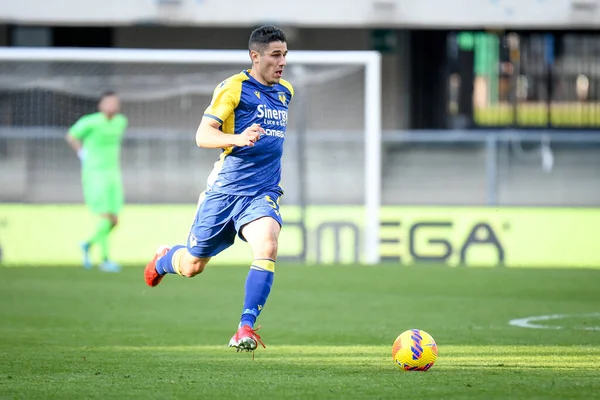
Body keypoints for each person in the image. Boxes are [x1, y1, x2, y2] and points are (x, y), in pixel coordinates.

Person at [144, 25, 293, 352]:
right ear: (255, 56)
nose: (282, 61)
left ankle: (245, 327)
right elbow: (202, 135)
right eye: (275, 55)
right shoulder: (233, 88)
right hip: (224, 193)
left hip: (262, 191)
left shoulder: (285, 92)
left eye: (285, 54)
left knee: (267, 245)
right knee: (192, 265)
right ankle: (164, 258)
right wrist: (236, 138)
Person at [66, 91, 127, 273]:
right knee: (105, 216)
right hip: (95, 173)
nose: (111, 106)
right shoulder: (90, 121)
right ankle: (105, 259)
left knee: (115, 220)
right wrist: (81, 153)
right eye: (108, 103)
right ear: (100, 105)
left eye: (114, 103)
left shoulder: (120, 122)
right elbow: (71, 135)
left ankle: (87, 244)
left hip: (113, 174)